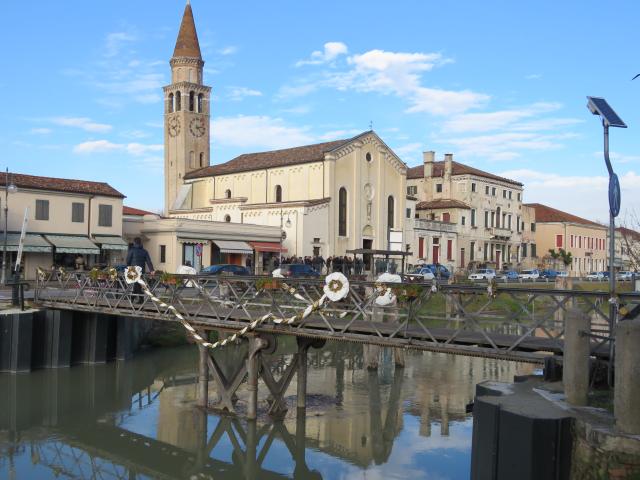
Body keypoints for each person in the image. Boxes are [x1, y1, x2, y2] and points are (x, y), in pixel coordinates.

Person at [126, 237, 154, 303]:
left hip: (133, 270)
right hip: (141, 271)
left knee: (136, 284)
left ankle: (133, 298)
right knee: (138, 284)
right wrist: (152, 270)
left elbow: (128, 260)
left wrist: (129, 267)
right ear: (140, 243)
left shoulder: (131, 250)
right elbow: (149, 261)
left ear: (134, 242)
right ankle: (139, 299)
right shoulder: (144, 251)